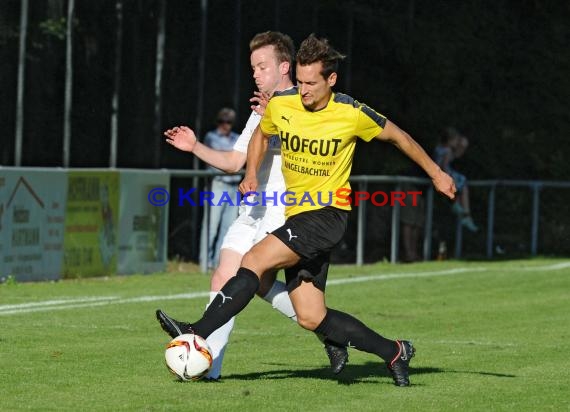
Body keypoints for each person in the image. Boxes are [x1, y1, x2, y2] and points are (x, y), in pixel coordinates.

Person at [157, 34, 456, 386]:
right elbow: (260, 134)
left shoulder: (352, 113)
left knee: (251, 261)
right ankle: (394, 351)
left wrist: (436, 173)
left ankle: (196, 331)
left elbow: (399, 137)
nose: (303, 90)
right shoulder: (283, 104)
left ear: (331, 79)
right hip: (298, 218)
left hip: (327, 216)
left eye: (311, 83)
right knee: (312, 316)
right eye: (299, 81)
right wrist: (252, 172)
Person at [162, 31, 348, 380]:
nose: (255, 74)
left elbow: (312, 141)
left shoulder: (305, 101)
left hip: (282, 209)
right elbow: (235, 161)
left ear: (284, 67)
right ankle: (207, 365)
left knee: (244, 280)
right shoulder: (264, 107)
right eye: (253, 68)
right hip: (252, 209)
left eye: (262, 66)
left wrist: (273, 119)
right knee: (231, 278)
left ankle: (203, 361)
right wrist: (195, 147)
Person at [201, 108, 241, 269]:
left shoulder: (236, 137)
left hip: (234, 185)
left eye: (229, 122)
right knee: (211, 225)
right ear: (218, 122)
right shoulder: (211, 137)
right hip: (217, 184)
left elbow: (239, 155)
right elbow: (223, 158)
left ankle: (218, 262)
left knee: (229, 226)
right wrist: (232, 156)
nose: (226, 125)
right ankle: (205, 262)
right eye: (223, 122)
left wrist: (231, 156)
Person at [433, 127, 478, 232]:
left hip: (436, 174)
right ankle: (466, 213)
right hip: (444, 175)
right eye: (455, 140)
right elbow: (444, 165)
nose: (456, 142)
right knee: (463, 184)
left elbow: (454, 156)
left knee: (458, 187)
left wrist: (462, 147)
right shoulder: (447, 151)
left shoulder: (439, 148)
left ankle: (457, 206)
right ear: (450, 140)